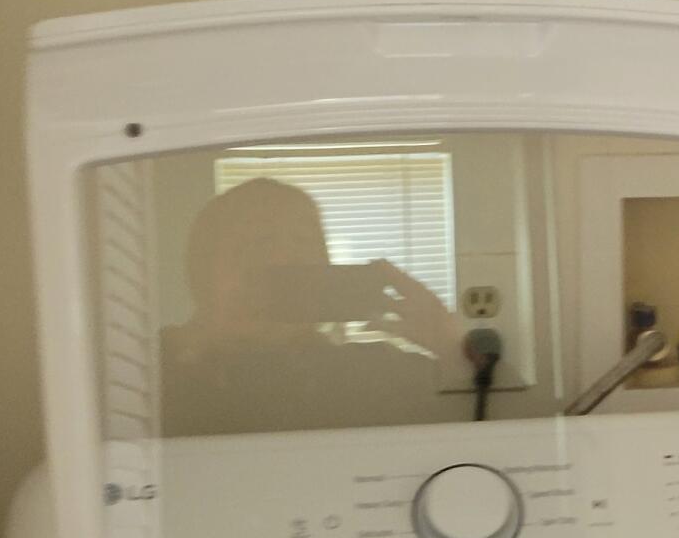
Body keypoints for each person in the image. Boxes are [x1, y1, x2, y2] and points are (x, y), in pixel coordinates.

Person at [155, 176, 472, 436]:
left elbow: (491, 433)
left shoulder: (368, 375)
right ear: (204, 270)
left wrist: (451, 345)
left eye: (304, 242)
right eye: (258, 244)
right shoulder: (151, 371)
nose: (284, 259)